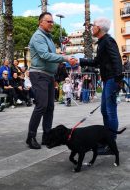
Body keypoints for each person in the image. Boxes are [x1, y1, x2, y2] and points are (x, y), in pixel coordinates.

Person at [72, 17, 123, 153]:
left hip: (112, 79)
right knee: (105, 111)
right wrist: (79, 60)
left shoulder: (108, 41)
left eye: (93, 25)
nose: (91, 28)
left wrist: (118, 79)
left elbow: (117, 59)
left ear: (99, 28)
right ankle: (107, 140)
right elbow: (96, 61)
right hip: (108, 79)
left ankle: (111, 145)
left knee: (110, 111)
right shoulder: (102, 42)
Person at [26, 12, 75, 149]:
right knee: (41, 106)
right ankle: (31, 137)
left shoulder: (48, 37)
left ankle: (46, 137)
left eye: (52, 22)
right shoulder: (38, 37)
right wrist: (65, 58)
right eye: (49, 21)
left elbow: (53, 56)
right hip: (39, 74)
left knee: (50, 107)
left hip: (48, 75)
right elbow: (45, 55)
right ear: (40, 22)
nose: (52, 24)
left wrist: (54, 75)